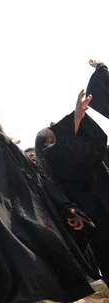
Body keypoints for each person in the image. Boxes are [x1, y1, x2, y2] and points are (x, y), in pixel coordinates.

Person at [0, 28, 99, 303]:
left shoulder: (8, 145)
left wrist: (66, 207)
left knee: (54, 263)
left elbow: (42, 184)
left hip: (31, 214)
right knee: (22, 272)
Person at [35, 74, 109, 282]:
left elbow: (95, 145)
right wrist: (75, 118)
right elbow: (70, 153)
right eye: (52, 128)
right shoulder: (52, 158)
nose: (54, 123)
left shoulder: (89, 149)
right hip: (97, 215)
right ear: (47, 142)